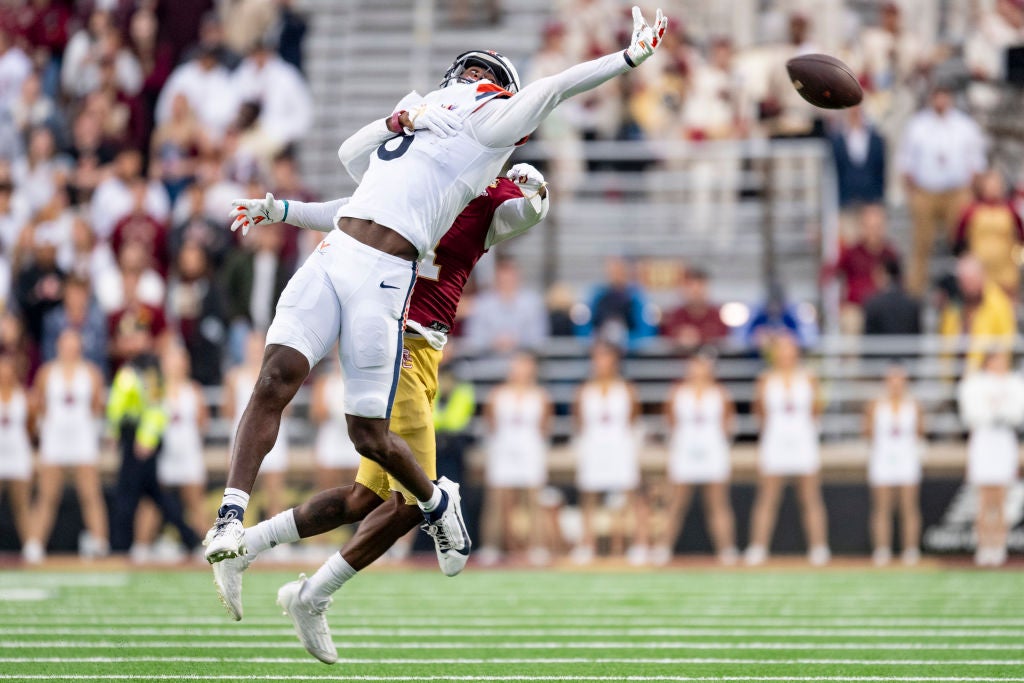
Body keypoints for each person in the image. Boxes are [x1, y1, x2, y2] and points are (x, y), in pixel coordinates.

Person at [208, 7, 666, 662]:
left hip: (409, 333)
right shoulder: (422, 146)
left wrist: (533, 189)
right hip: (387, 316)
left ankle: (269, 559)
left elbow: (524, 191)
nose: (472, 81)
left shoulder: (484, 171)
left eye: (483, 77)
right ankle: (329, 572)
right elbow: (356, 202)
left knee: (370, 493)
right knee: (400, 494)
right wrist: (284, 206)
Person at [212, 164, 549, 659]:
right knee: (415, 499)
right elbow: (353, 215)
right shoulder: (429, 164)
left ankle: (250, 550)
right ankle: (325, 586)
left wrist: (538, 191)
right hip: (395, 337)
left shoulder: (486, 190)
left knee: (361, 499)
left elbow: (525, 215)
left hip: (424, 344)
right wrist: (282, 210)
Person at [107, 349, 202, 556]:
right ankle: (187, 538)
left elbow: (154, 409)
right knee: (152, 495)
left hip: (141, 441)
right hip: (135, 438)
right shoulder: (134, 371)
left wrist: (145, 438)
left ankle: (122, 545)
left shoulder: (147, 372)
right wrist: (115, 432)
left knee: (136, 495)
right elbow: (120, 406)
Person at [745, 334, 830, 566]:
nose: (786, 353)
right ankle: (758, 547)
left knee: (810, 496)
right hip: (775, 441)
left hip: (803, 439)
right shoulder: (765, 379)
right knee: (767, 496)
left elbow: (816, 409)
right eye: (781, 349)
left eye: (789, 348)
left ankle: (819, 547)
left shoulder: (809, 378)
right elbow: (759, 412)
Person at [23, 329, 107, 564]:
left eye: (74, 345)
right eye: (66, 345)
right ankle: (34, 543)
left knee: (90, 494)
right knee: (47, 494)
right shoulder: (47, 372)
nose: (70, 350)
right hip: (55, 438)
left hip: (81, 437)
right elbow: (37, 403)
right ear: (59, 346)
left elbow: (97, 405)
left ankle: (100, 542)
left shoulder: (90, 372)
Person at [899, 84, 987, 295]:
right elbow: (905, 163)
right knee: (921, 244)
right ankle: (915, 292)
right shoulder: (917, 125)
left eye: (944, 97)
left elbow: (977, 163)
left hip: (956, 191)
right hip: (925, 191)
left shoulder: (965, 126)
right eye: (937, 97)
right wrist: (912, 193)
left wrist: (972, 191)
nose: (941, 101)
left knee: (962, 243)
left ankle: (967, 287)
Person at [655, 352, 737, 566]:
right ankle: (663, 548)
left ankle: (726, 549)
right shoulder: (677, 393)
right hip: (685, 451)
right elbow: (670, 421)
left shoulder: (720, 393)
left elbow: (728, 423)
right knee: (676, 503)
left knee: (718, 503)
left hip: (712, 451)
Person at [572, 340, 647, 565]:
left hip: (620, 445)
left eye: (605, 357)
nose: (601, 362)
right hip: (594, 445)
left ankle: (638, 544)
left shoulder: (627, 389)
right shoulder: (584, 390)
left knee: (631, 495)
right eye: (597, 358)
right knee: (589, 496)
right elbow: (579, 420)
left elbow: (634, 418)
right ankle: (587, 545)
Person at [479, 351, 553, 565]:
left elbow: (545, 426)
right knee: (497, 499)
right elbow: (490, 423)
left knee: (533, 499)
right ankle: (491, 546)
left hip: (530, 448)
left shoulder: (540, 395)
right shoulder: (497, 394)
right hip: (504, 448)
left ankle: (537, 546)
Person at [957, 350, 1024, 567]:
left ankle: (999, 547)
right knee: (984, 500)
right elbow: (971, 412)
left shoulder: (1014, 382)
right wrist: (991, 414)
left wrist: (1002, 414)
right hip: (984, 440)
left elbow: (1018, 410)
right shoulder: (975, 383)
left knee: (1001, 498)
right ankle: (984, 547)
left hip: (1004, 441)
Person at [223, 331, 290, 521]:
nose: (254, 351)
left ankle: (277, 540)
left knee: (275, 491)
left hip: (272, 436)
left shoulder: (277, 373)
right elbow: (228, 411)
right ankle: (232, 535)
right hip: (244, 439)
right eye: (250, 347)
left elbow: (287, 408)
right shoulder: (234, 377)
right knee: (237, 492)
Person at [864, 363, 924, 566]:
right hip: (883, 457)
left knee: (909, 506)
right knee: (882, 506)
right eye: (892, 381)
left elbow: (920, 431)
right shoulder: (876, 405)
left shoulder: (913, 405)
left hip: (906, 457)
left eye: (900, 381)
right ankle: (882, 550)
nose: (896, 385)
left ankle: (911, 549)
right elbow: (868, 432)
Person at [155, 344, 208, 543]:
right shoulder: (156, 390)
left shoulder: (193, 390)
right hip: (165, 455)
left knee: (196, 503)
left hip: (188, 453)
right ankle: (141, 547)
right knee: (153, 504)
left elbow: (203, 423)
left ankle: (206, 547)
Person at [953, 170, 1024, 297]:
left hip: (1005, 268)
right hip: (980, 269)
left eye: (997, 184)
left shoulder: (1010, 209)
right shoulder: (971, 210)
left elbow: (1020, 235)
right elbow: (959, 238)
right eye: (990, 184)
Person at [310, 357, 360, 493]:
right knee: (327, 494)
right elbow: (316, 414)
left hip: (356, 445)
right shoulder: (324, 381)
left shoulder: (361, 384)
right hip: (330, 445)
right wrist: (336, 410)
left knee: (360, 496)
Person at [0, 353, 32, 553]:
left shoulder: (24, 396)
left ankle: (31, 545)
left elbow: (30, 426)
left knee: (22, 504)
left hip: (18, 454)